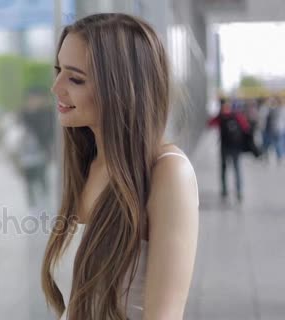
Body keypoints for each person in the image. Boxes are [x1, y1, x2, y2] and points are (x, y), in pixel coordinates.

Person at [41, 14, 199, 320]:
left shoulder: (167, 172)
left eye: (75, 78)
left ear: (120, 87)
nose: (56, 87)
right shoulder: (89, 163)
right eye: (58, 71)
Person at [208, 98, 250, 202]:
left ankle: (224, 190)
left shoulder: (220, 117)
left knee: (224, 169)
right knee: (237, 169)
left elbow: (209, 124)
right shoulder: (237, 116)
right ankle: (239, 190)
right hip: (235, 147)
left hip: (225, 147)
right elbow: (246, 128)